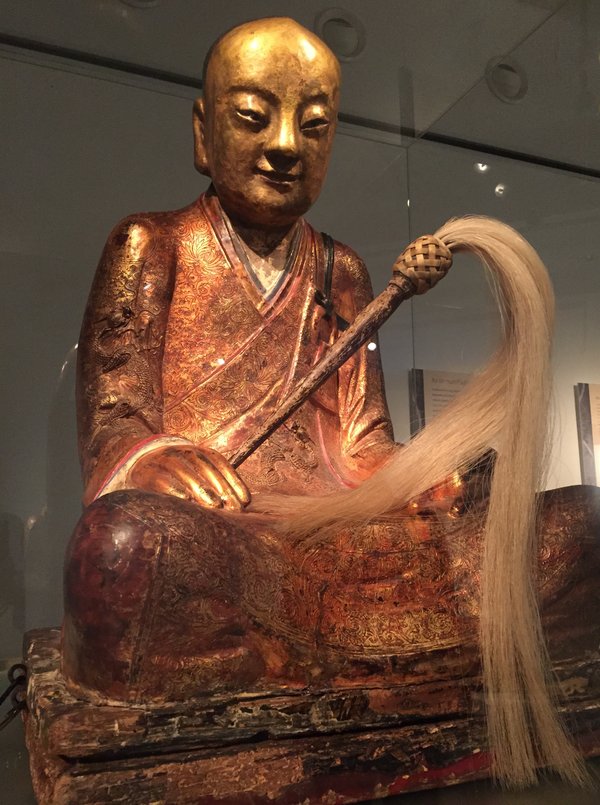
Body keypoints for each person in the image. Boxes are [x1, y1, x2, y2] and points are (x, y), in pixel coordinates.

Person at [62, 19, 599, 761]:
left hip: (342, 541)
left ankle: (334, 648)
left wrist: (425, 475)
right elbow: (114, 420)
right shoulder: (153, 246)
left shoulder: (341, 272)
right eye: (253, 116)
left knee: (580, 527)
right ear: (203, 132)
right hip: (228, 537)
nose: (286, 145)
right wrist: (152, 459)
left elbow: (362, 445)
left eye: (314, 126)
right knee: (124, 547)